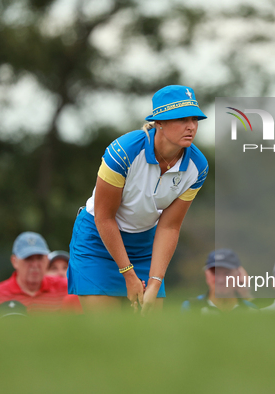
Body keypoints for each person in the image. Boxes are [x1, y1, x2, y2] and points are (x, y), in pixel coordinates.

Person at [68, 85, 209, 314]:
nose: (191, 126)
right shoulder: (123, 152)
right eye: (182, 119)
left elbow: (170, 226)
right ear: (159, 122)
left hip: (144, 245)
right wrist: (128, 274)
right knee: (107, 334)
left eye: (195, 119)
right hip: (98, 241)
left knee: (148, 336)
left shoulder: (197, 167)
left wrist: (155, 280)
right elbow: (105, 218)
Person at [0, 232, 81, 314]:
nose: (35, 265)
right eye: (28, 258)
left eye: (39, 258)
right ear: (14, 261)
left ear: (47, 259)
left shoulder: (67, 288)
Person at [181, 249, 257, 314]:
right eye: (215, 273)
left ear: (238, 275)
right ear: (207, 275)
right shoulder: (191, 308)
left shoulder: (251, 310)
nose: (221, 280)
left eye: (227, 273)